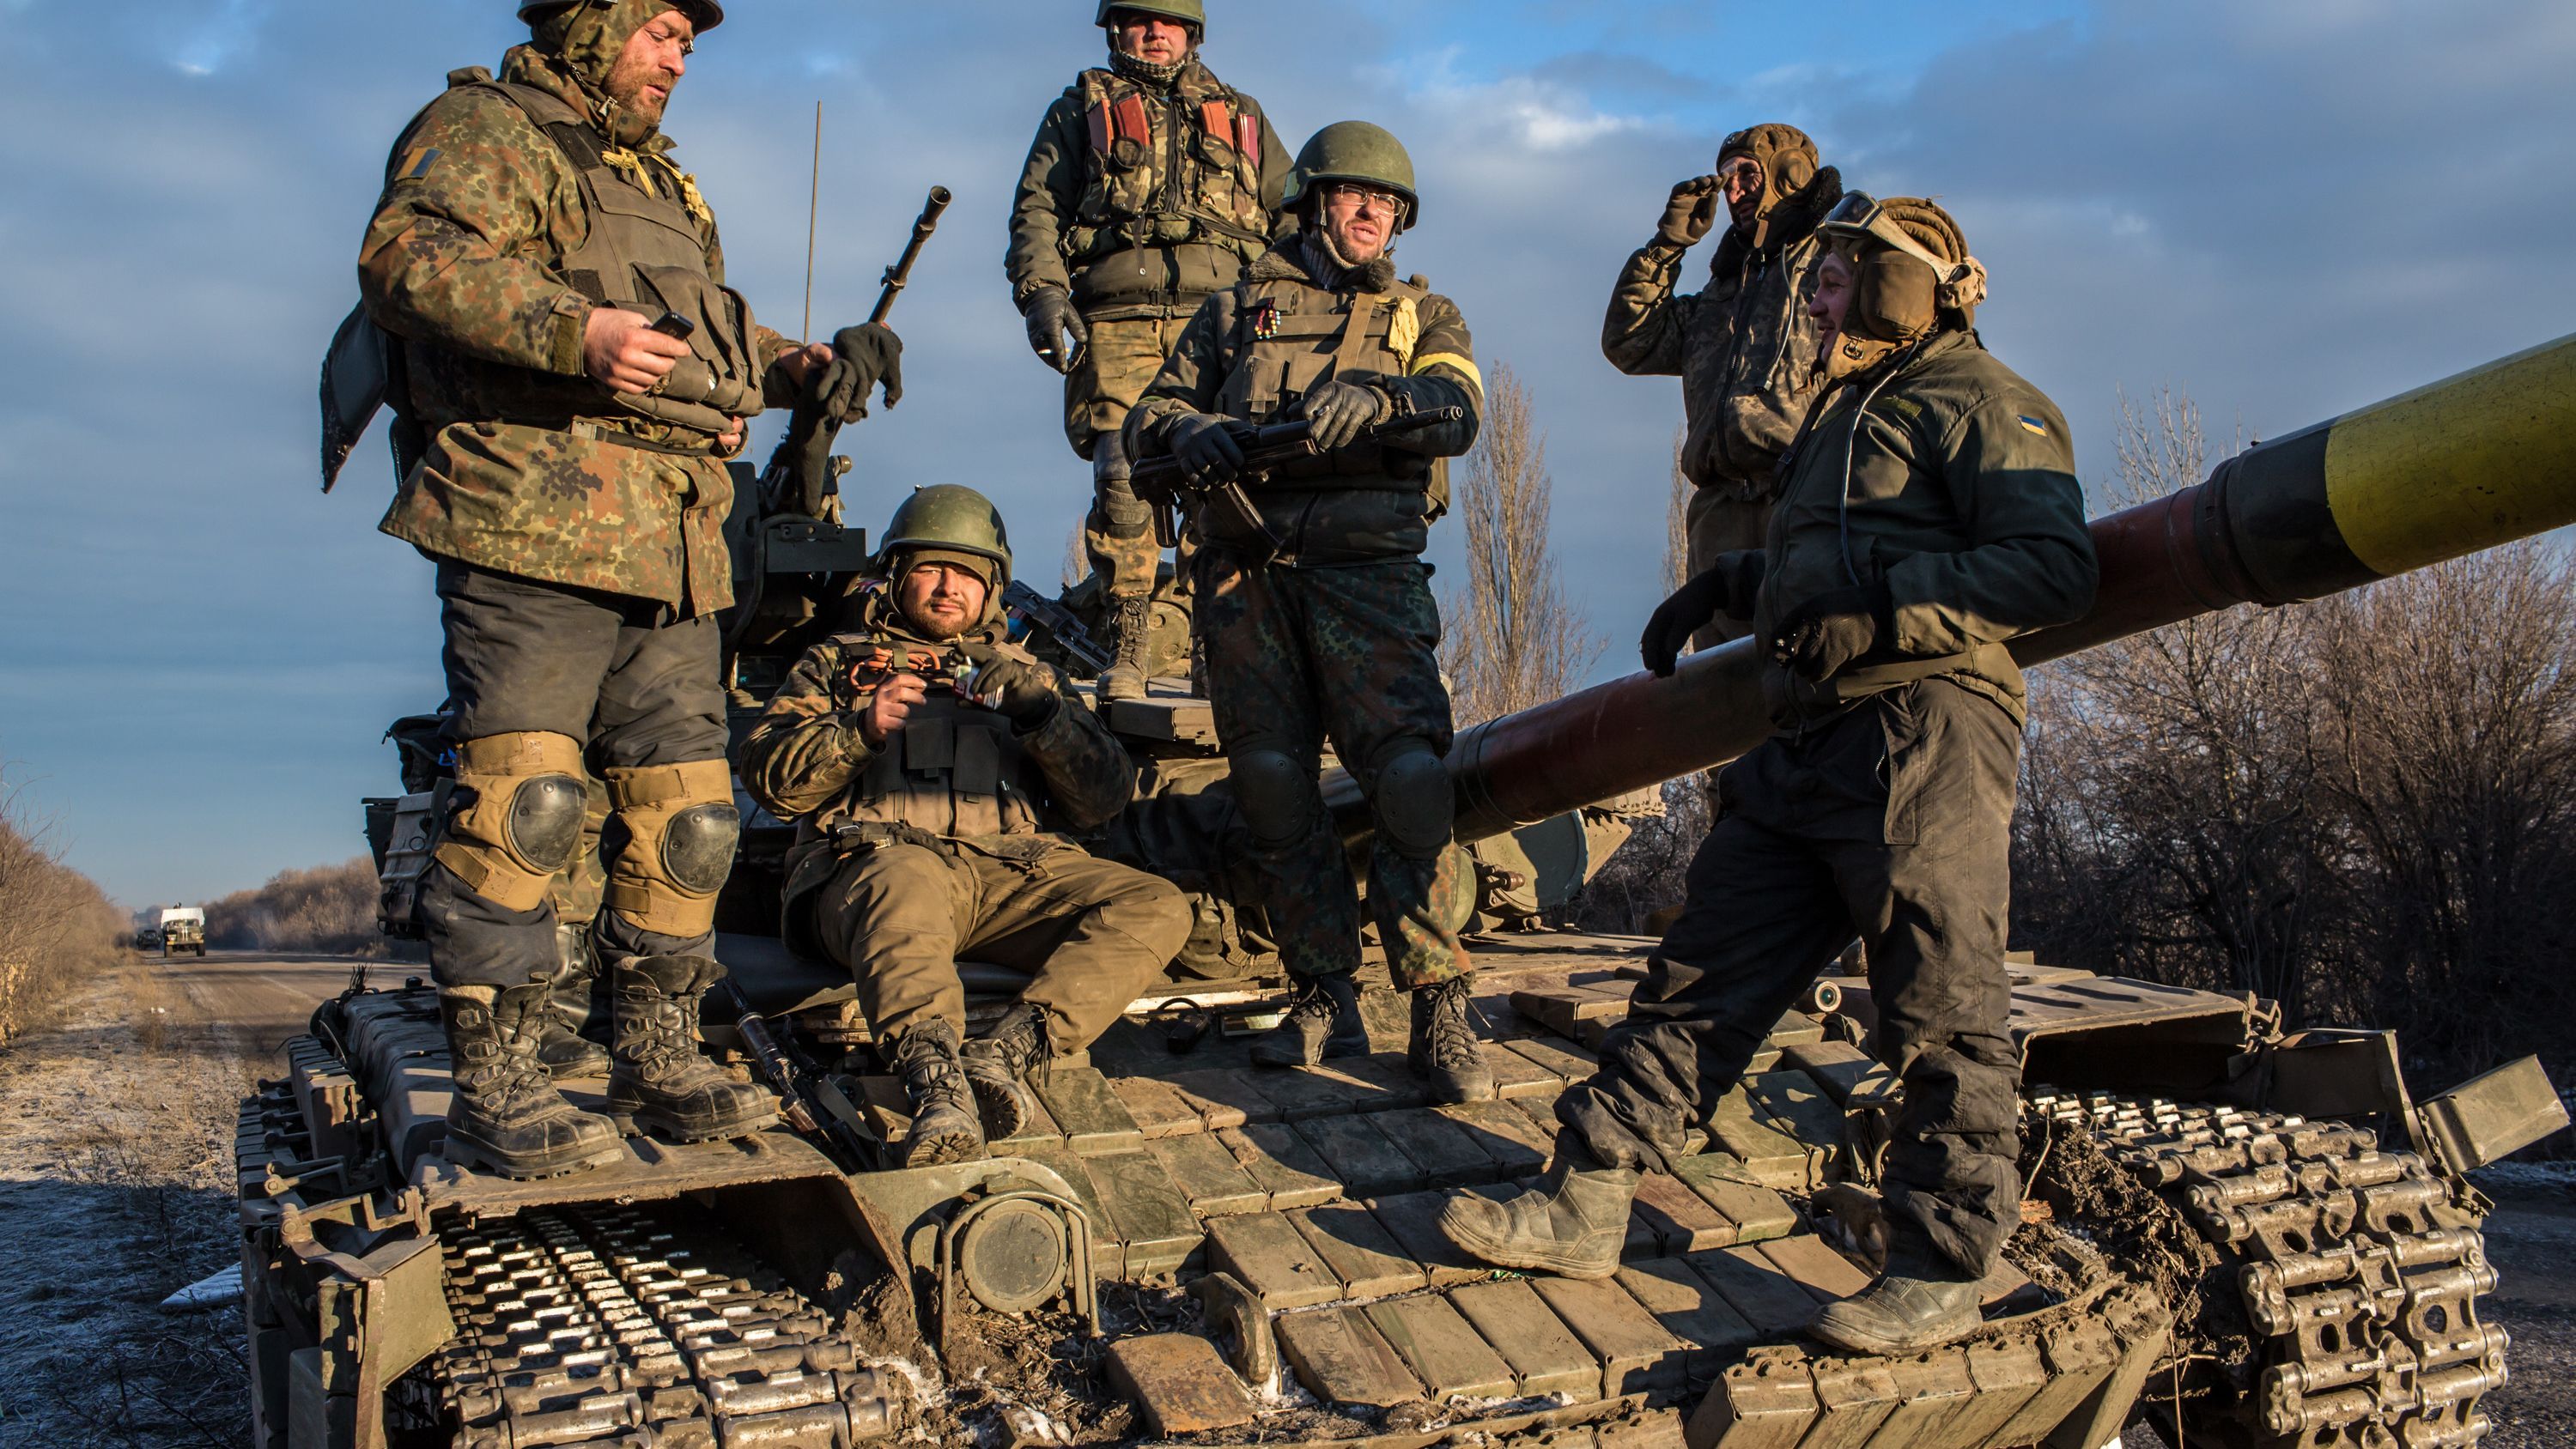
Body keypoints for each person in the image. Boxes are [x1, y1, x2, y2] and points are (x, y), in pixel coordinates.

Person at [1440, 196, 2099, 1355]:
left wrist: (1883, 610)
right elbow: (1836, 557)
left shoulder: (1988, 404)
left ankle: (1942, 1266)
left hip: (1923, 730)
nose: (1821, 296)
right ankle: (1587, 1197)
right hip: (1806, 732)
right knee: (1705, 969)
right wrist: (1734, 588)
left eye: (1844, 278)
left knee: (1940, 1005)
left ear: (1910, 286)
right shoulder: (1848, 413)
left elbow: (2051, 568)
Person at [359, 0, 900, 1179]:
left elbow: (706, 340)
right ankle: (499, 1082)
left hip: (674, 539)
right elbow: (412, 259)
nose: (677, 56)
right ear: (588, 25)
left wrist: (801, 362)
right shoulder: (490, 128)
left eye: (687, 42)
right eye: (658, 31)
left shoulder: (660, 183)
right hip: (533, 519)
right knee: (528, 806)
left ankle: (658, 1053)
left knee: (694, 818)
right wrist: (575, 331)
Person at [1124, 121, 1492, 1104]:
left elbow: (1461, 409)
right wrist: (1190, 425)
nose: (1374, 214)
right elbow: (1145, 417)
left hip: (1366, 571)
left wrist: (1386, 400)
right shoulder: (1234, 310)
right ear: (1313, 200)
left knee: (1412, 779)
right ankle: (1324, 987)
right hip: (1246, 572)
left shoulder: (1424, 312)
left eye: (1390, 205)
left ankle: (1438, 996)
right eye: (1355, 196)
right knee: (1273, 784)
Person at [739, 487, 1192, 1167]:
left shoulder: (1028, 675)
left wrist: (1046, 716)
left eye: (970, 575)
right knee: (905, 876)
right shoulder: (836, 662)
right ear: (895, 577)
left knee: (1155, 903)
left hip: (1008, 876)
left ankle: (1007, 1051)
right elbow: (774, 784)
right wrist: (857, 728)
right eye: (931, 569)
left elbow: (1103, 801)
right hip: (873, 875)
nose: (950, 587)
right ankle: (935, 1084)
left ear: (993, 591)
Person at [1007, 0, 1293, 700]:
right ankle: (1129, 632)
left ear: (1192, 33)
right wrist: (1044, 295)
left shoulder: (1244, 115)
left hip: (1222, 318)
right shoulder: (1078, 111)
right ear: (1114, 28)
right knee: (1123, 470)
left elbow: (1295, 215)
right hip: (1118, 314)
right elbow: (1037, 211)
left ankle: (1208, 638)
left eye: (1169, 22)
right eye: (1140, 20)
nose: (1155, 33)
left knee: (1221, 473)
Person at [1602, 124, 1843, 649]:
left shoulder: (1834, 272)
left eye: (1746, 175)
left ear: (1790, 175)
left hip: (1803, 501)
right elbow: (1631, 341)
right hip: (1718, 519)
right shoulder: (1719, 294)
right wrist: (1668, 246)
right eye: (1726, 178)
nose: (1732, 191)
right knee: (1724, 695)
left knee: (1815, 667)